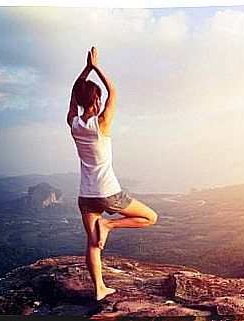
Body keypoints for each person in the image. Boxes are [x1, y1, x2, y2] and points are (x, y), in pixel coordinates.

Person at [66, 46, 158, 301]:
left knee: (93, 244)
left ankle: (99, 289)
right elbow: (113, 90)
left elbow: (75, 93)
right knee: (151, 217)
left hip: (86, 196)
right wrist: (95, 67)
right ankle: (110, 225)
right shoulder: (102, 123)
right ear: (96, 100)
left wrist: (85, 72)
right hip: (109, 193)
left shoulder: (73, 123)